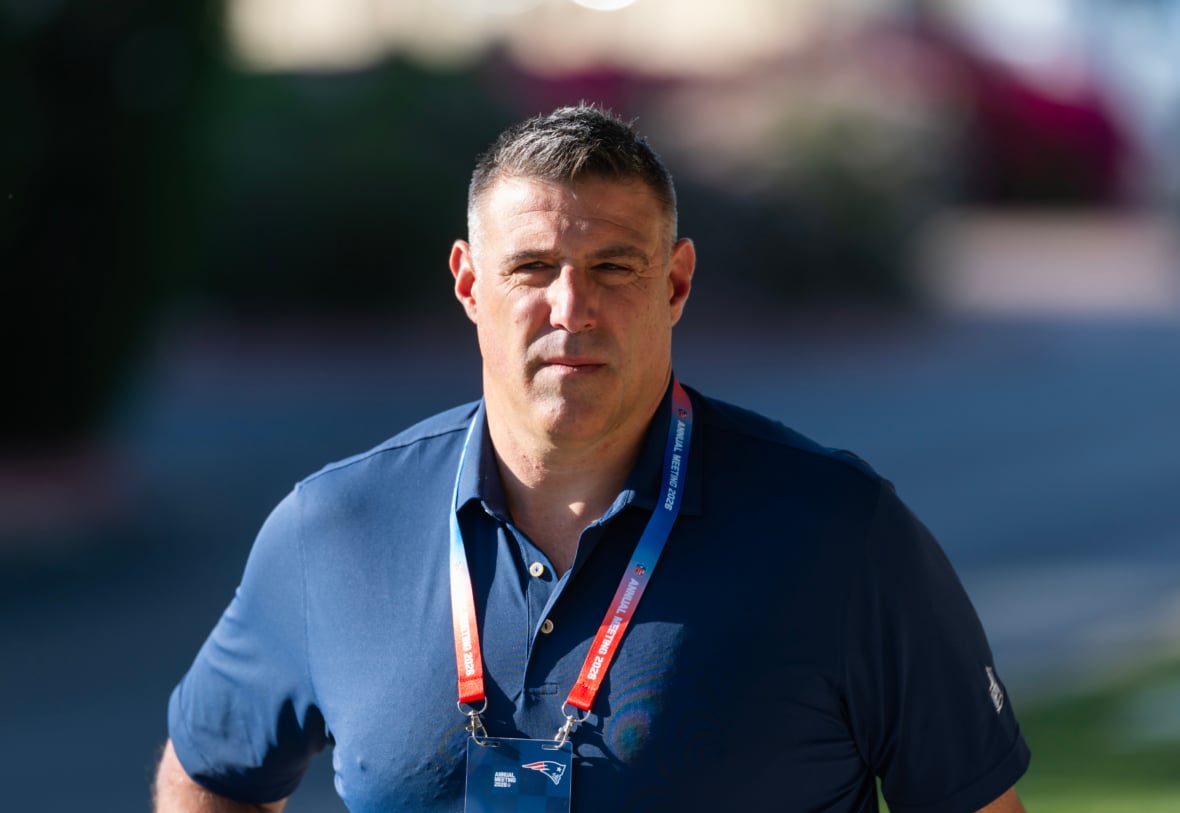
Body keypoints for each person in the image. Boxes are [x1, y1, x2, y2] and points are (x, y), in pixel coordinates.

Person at [155, 104, 1030, 812]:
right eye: (533, 267)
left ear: (675, 283)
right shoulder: (335, 527)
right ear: (469, 283)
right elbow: (212, 772)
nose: (572, 307)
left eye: (614, 267)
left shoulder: (843, 534)